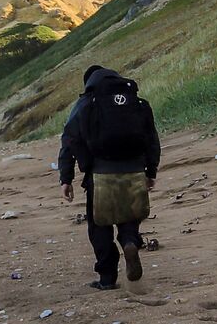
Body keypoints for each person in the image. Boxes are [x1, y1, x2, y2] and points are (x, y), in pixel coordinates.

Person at [58, 64, 161, 290]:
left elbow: (69, 141)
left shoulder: (86, 104)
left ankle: (107, 278)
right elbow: (152, 139)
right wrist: (150, 171)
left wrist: (66, 178)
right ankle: (130, 242)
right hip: (134, 170)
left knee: (100, 227)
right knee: (129, 217)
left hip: (100, 174)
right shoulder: (137, 103)